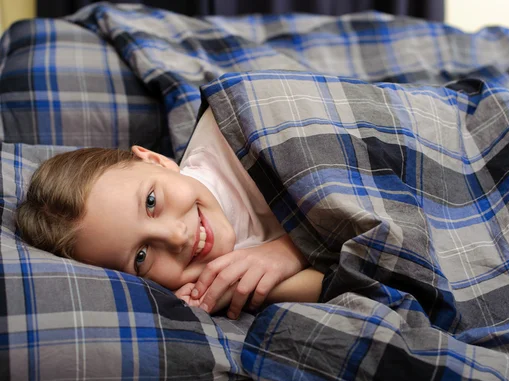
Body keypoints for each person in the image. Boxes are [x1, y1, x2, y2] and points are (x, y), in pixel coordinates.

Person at [15, 107, 324, 319]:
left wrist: (287, 251)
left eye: (151, 202)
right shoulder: (213, 268)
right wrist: (228, 287)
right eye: (141, 257)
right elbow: (341, 282)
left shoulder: (234, 136)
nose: (177, 237)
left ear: (155, 160)